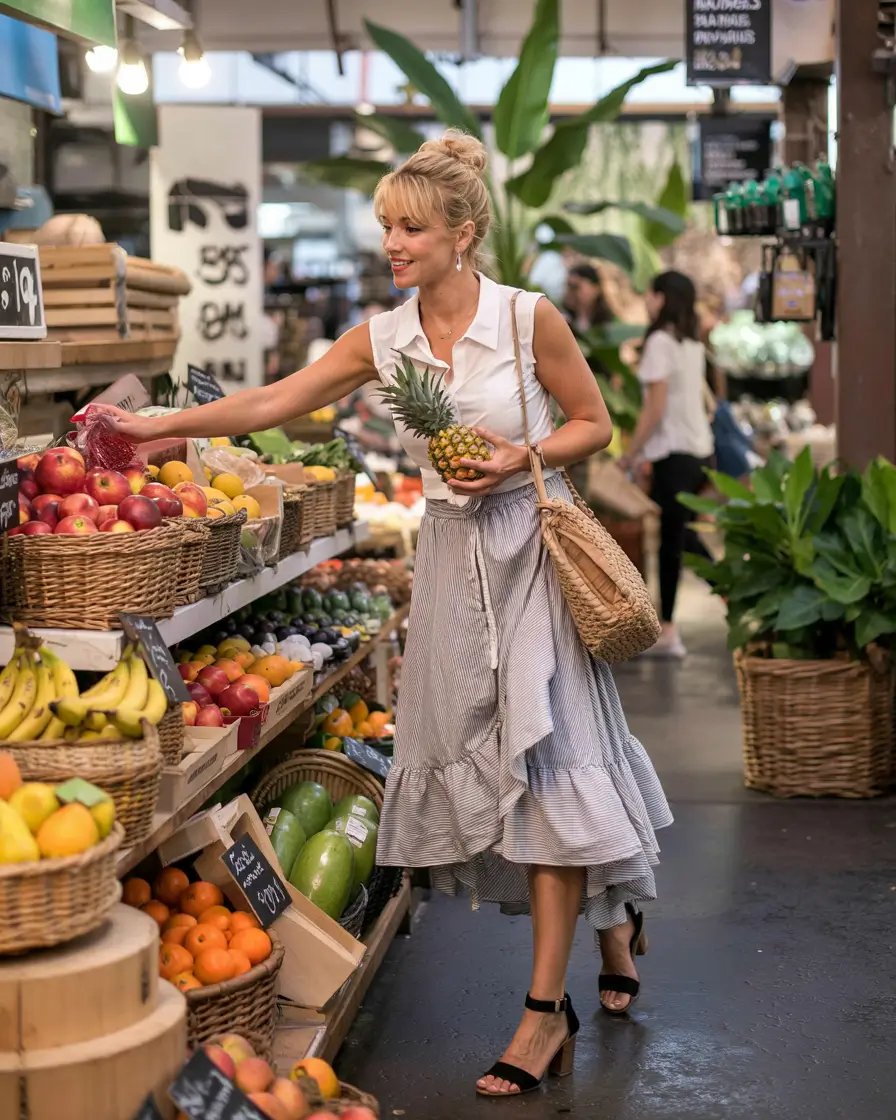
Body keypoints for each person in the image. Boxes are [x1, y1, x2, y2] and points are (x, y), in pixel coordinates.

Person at [93, 131, 671, 1099]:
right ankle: (612, 920)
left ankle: (540, 1015)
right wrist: (155, 425)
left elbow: (591, 424)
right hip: (450, 564)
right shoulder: (384, 335)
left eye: (409, 228)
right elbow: (277, 397)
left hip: (530, 545)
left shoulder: (527, 320)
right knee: (498, 756)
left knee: (547, 757)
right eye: (385, 229)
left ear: (462, 233)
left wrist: (513, 456)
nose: (391, 244)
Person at [619, 271, 715, 659]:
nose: (646, 300)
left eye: (650, 293)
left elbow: (655, 408)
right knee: (682, 533)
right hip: (699, 451)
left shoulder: (659, 342)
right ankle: (731, 590)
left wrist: (631, 453)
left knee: (672, 543)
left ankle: (670, 631)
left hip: (673, 453)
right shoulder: (691, 343)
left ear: (662, 298)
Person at [563, 262, 614, 334]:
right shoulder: (563, 318)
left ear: (596, 288)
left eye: (575, 287)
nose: (570, 292)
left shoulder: (610, 323)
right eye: (568, 286)